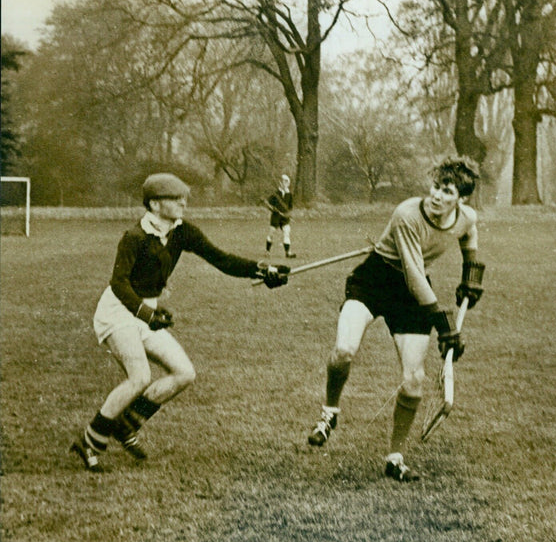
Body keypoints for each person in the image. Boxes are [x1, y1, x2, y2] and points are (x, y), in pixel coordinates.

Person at [70, 173, 290, 472]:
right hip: (119, 312)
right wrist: (147, 315)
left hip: (146, 312)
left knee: (184, 373)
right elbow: (119, 284)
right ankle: (90, 440)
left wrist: (263, 270)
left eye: (183, 197)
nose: (184, 203)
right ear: (156, 204)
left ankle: (126, 424)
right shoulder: (134, 237)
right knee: (139, 377)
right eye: (176, 199)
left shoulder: (182, 231)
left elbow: (221, 259)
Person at [305, 157, 485, 482]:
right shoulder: (406, 214)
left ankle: (395, 456)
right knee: (344, 350)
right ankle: (329, 413)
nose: (437, 196)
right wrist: (443, 323)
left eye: (447, 191)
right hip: (374, 281)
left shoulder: (467, 217)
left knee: (413, 380)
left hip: (410, 297)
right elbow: (416, 276)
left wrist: (470, 275)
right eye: (435, 187)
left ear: (461, 198)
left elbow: (468, 235)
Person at [264, 174, 296, 258]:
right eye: (283, 181)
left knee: (286, 232)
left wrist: (288, 214)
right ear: (280, 183)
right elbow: (267, 203)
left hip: (285, 217)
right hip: (275, 216)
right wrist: (272, 209)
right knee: (272, 233)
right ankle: (267, 251)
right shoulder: (275, 194)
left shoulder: (289, 195)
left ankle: (287, 253)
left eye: (286, 182)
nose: (284, 183)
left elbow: (290, 207)